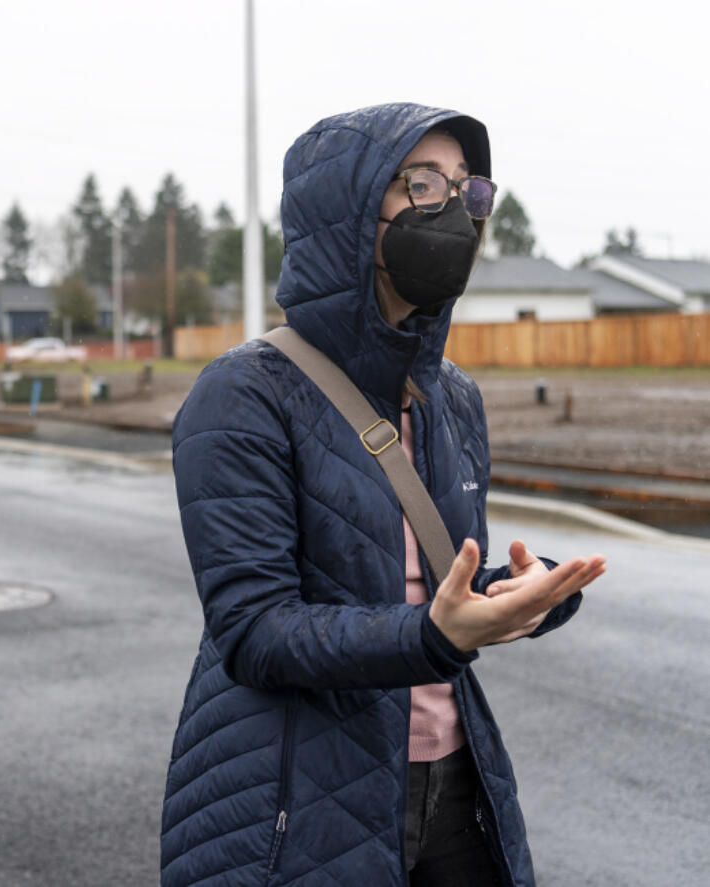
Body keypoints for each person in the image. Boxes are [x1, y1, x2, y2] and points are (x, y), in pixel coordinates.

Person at [160, 102, 607, 887]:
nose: (454, 212)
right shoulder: (242, 394)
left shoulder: (452, 397)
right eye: (422, 183)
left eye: (467, 190)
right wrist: (435, 635)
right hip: (298, 796)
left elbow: (442, 588)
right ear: (348, 210)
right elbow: (256, 631)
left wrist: (525, 593)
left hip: (458, 784)